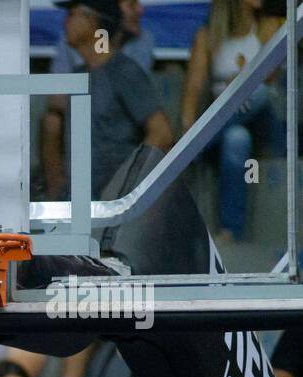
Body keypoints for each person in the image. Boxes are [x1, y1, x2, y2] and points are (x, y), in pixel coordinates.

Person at [40, 0, 173, 200]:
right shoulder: (77, 75)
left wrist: (125, 187)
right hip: (77, 202)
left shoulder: (123, 72)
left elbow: (162, 133)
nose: (64, 22)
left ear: (92, 21)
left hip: (115, 208)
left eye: (71, 14)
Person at [179, 0, 285, 243]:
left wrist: (239, 82)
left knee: (257, 93)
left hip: (261, 119)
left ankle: (196, 145)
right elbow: (193, 88)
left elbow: (269, 76)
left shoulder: (266, 26)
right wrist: (186, 124)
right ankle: (231, 230)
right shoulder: (208, 36)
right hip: (230, 122)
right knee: (237, 138)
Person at [51, 0, 155, 75]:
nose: (140, 10)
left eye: (71, 15)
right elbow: (57, 98)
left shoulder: (142, 39)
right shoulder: (72, 38)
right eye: (132, 4)